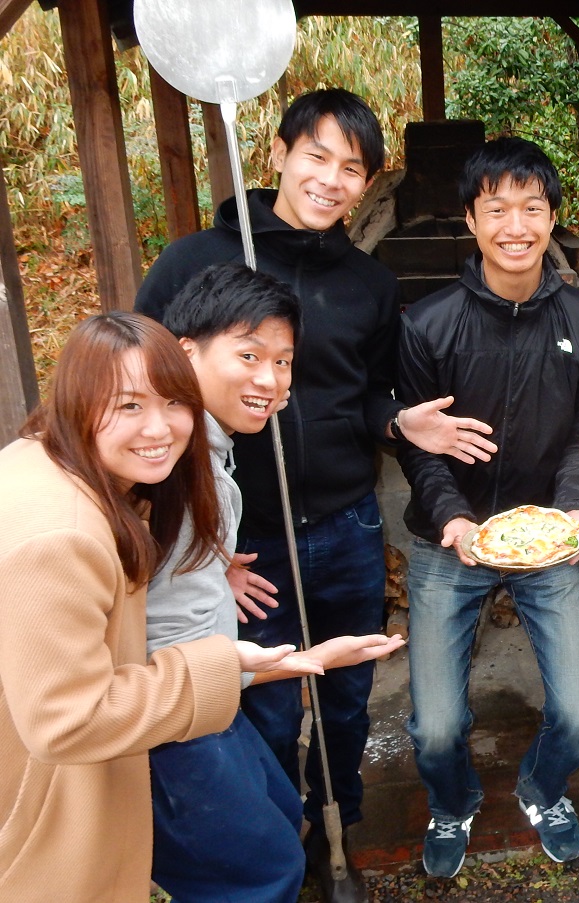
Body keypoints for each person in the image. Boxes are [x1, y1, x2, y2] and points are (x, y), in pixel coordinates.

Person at [135, 88, 493, 899]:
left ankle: (337, 836)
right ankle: (274, 846)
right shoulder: (194, 260)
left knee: (343, 700)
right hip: (240, 541)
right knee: (259, 703)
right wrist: (200, 546)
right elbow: (147, 395)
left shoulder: (369, 281)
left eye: (352, 168)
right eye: (317, 156)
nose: (331, 180)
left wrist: (404, 425)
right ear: (279, 154)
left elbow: (364, 395)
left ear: (366, 185)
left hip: (343, 524)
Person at [0, 312, 321, 903]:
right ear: (76, 401)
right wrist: (229, 664)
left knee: (277, 824)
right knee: (260, 874)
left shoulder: (62, 462)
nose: (160, 428)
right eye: (128, 407)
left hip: (166, 713)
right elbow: (68, 719)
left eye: (175, 403)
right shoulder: (60, 538)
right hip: (67, 777)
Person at [397, 136, 579, 878]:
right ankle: (452, 798)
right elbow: (419, 444)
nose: (516, 224)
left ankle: (541, 784)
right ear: (471, 218)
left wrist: (578, 508)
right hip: (448, 540)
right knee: (434, 727)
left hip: (542, 539)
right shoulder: (428, 323)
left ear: (553, 217)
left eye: (532, 207)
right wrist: (452, 517)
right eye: (497, 208)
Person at [148, 263, 404, 902]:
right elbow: (165, 664)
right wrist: (308, 660)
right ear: (186, 351)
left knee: (277, 821)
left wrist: (210, 566)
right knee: (261, 873)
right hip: (174, 730)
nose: (270, 379)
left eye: (284, 362)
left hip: (199, 703)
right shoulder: (168, 464)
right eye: (249, 355)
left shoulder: (204, 453)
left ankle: (326, 831)